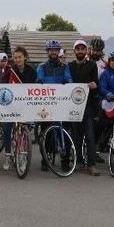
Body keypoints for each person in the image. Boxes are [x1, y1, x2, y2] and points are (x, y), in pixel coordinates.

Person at [37, 40, 73, 170]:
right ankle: (45, 158)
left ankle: (65, 160)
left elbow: (69, 79)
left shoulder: (64, 66)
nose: (53, 52)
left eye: (55, 50)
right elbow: (39, 80)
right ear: (47, 52)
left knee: (64, 131)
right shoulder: (42, 67)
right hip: (46, 103)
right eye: (51, 50)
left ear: (59, 52)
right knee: (45, 132)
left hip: (61, 103)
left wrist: (68, 83)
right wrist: (41, 83)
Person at [68, 40, 101, 175]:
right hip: (73, 105)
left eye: (83, 49)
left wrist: (94, 84)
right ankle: (79, 162)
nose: (80, 51)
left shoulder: (92, 65)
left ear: (86, 51)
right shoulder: (69, 66)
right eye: (78, 49)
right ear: (74, 51)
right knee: (76, 135)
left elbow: (96, 83)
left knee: (90, 136)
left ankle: (91, 164)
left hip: (88, 105)